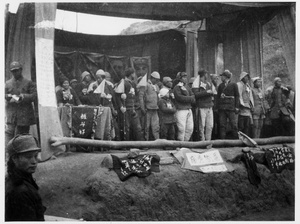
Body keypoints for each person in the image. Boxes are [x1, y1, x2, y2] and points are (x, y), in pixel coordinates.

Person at [5, 134, 46, 221]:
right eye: (28, 157)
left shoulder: (16, 178)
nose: (34, 161)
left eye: (35, 156)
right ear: (15, 159)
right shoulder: (20, 191)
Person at [5, 61, 37, 148]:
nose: (15, 72)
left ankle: (23, 155)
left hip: (24, 114)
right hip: (12, 113)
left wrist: (23, 97)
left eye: (17, 70)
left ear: (21, 70)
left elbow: (34, 96)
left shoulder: (28, 82)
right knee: (9, 133)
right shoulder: (7, 83)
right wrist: (8, 96)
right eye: (13, 71)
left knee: (23, 135)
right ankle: (7, 154)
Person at [116, 68, 144, 141]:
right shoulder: (123, 82)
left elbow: (136, 96)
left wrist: (135, 106)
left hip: (133, 109)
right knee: (126, 128)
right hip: (125, 109)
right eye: (134, 73)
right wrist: (121, 106)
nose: (134, 75)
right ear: (131, 74)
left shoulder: (133, 83)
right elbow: (117, 96)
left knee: (138, 128)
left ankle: (140, 144)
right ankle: (125, 145)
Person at [192, 69, 214, 141]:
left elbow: (213, 92)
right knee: (201, 126)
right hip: (201, 107)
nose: (207, 75)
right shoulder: (196, 83)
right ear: (204, 75)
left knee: (210, 126)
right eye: (206, 74)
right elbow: (196, 95)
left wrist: (211, 92)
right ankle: (202, 142)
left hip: (209, 106)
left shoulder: (208, 83)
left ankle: (208, 141)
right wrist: (206, 92)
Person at [217, 70, 239, 139]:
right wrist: (218, 107)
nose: (221, 78)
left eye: (222, 76)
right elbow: (218, 97)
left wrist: (237, 107)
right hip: (222, 108)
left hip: (231, 107)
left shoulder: (234, 85)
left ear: (226, 77)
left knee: (234, 125)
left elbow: (237, 96)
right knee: (222, 125)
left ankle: (236, 140)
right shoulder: (220, 86)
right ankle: (222, 141)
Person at [173, 72, 195, 141]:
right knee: (181, 129)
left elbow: (193, 95)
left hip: (188, 109)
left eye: (186, 77)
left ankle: (185, 144)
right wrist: (190, 98)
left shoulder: (187, 86)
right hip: (181, 109)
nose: (185, 78)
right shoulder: (177, 87)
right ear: (180, 78)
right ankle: (180, 145)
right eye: (183, 77)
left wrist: (189, 98)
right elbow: (180, 98)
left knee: (190, 128)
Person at [138, 71, 161, 140]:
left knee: (156, 127)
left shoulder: (156, 86)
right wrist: (142, 108)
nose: (157, 81)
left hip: (155, 109)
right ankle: (145, 143)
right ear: (152, 78)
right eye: (156, 80)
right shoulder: (145, 85)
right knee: (146, 127)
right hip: (147, 109)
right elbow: (141, 96)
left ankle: (157, 141)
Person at [237, 71, 254, 137]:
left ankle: (246, 138)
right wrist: (242, 104)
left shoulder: (247, 86)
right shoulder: (239, 85)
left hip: (247, 108)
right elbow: (239, 95)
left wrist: (251, 105)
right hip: (241, 108)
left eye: (247, 77)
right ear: (242, 78)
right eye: (246, 77)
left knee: (247, 125)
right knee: (241, 125)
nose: (247, 78)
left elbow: (250, 96)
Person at [210, 74, 219, 139]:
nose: (216, 80)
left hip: (217, 107)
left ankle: (217, 136)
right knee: (211, 123)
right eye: (214, 79)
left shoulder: (218, 87)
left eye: (216, 79)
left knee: (218, 122)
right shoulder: (210, 86)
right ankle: (212, 136)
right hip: (211, 107)